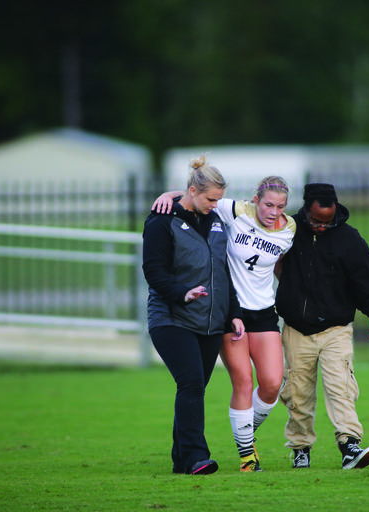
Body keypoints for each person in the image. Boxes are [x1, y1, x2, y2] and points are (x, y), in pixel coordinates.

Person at [152, 176, 296, 472]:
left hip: (260, 312)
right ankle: (244, 455)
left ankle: (242, 433)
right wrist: (169, 194)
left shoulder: (290, 229)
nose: (273, 211)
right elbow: (200, 195)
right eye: (268, 204)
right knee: (239, 381)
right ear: (256, 200)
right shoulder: (233, 211)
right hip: (227, 311)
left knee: (271, 384)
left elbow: (281, 266)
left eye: (280, 206)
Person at [142, 155, 244, 475]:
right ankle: (198, 456)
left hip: (210, 322)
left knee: (193, 389)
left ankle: (181, 460)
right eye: (210, 198)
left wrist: (234, 314)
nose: (215, 204)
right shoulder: (162, 219)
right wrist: (180, 293)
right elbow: (153, 270)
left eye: (219, 199)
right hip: (171, 317)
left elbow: (223, 271)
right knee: (190, 382)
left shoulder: (216, 220)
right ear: (192, 190)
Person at [274, 183, 369, 470]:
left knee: (341, 388)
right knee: (298, 393)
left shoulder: (349, 239)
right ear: (305, 209)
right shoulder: (288, 230)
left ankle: (350, 446)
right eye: (316, 221)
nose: (322, 227)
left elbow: (365, 279)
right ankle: (301, 448)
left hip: (336, 330)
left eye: (328, 221)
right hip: (296, 329)